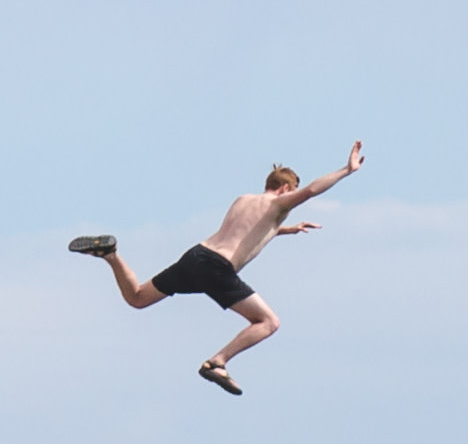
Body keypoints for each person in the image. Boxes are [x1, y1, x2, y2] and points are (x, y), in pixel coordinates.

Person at [71, 143, 367, 393]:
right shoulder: (279, 204)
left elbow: (249, 231)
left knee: (137, 297)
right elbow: (313, 190)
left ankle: (111, 255)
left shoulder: (243, 200)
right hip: (216, 268)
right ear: (285, 189)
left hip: (196, 257)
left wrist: (285, 229)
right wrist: (346, 170)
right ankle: (217, 362)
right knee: (268, 322)